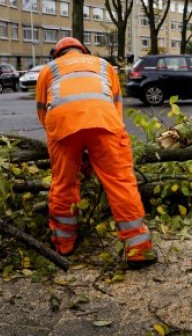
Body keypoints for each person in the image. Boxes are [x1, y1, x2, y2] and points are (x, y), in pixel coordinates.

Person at [36, 37, 157, 268]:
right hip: (105, 122)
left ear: (57, 54)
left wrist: (62, 140)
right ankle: (138, 250)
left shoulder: (48, 70)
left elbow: (43, 112)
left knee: (64, 184)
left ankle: (64, 245)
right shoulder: (103, 65)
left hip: (62, 127)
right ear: (84, 50)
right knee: (121, 182)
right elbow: (115, 105)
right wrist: (103, 144)